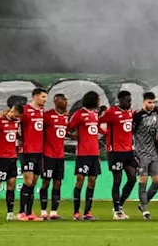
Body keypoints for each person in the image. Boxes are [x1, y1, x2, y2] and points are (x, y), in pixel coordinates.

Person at [100, 90, 138, 219]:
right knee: (117, 180)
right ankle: (117, 211)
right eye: (127, 100)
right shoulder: (111, 112)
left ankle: (120, 205)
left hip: (128, 151)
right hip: (115, 152)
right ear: (120, 100)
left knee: (132, 178)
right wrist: (106, 135)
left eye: (130, 100)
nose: (129, 102)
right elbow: (98, 122)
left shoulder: (130, 112)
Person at [68, 91, 103, 221]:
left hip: (94, 153)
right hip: (83, 153)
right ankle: (76, 212)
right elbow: (68, 128)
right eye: (98, 99)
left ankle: (87, 212)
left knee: (92, 181)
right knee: (80, 180)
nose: (99, 101)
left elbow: (97, 129)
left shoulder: (95, 114)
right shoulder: (79, 114)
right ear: (93, 100)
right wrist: (75, 137)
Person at [0, 101, 24, 222]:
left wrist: (20, 139)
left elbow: (15, 135)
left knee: (11, 184)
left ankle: (10, 213)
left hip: (12, 157)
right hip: (0, 157)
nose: (18, 118)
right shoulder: (0, 119)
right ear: (12, 111)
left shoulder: (16, 122)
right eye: (17, 115)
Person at [131, 91, 158, 219]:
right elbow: (130, 132)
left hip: (153, 153)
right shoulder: (138, 116)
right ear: (144, 102)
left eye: (153, 102)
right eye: (149, 102)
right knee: (143, 181)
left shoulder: (156, 112)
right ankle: (145, 210)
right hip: (141, 153)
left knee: (157, 181)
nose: (152, 105)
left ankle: (143, 203)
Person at [17, 88, 48, 221]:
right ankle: (20, 212)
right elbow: (14, 123)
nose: (45, 99)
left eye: (46, 97)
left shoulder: (42, 112)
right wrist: (19, 138)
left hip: (39, 152)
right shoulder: (24, 110)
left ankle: (29, 213)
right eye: (43, 97)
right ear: (35, 97)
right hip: (27, 151)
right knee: (28, 181)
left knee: (34, 182)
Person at [40, 93, 70, 220]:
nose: (66, 102)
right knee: (46, 182)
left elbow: (66, 132)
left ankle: (53, 212)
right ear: (56, 101)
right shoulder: (47, 116)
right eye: (64, 100)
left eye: (66, 100)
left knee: (57, 183)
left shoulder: (66, 116)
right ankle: (43, 211)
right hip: (48, 155)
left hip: (60, 156)